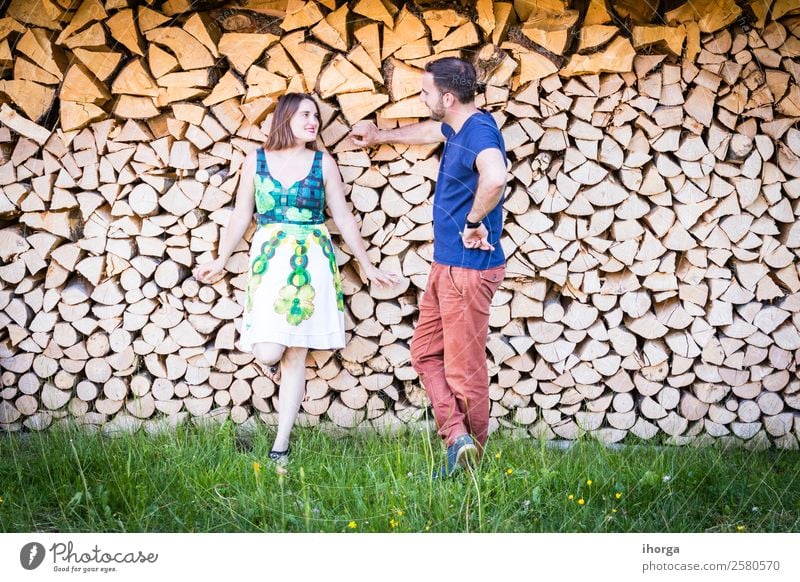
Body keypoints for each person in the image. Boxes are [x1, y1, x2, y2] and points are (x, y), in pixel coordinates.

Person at [193, 93, 399, 468]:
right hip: (270, 260)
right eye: (305, 114)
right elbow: (242, 213)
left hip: (312, 259)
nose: (312, 122)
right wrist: (221, 258)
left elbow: (344, 216)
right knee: (269, 351)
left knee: (296, 354)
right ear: (284, 117)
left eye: (316, 116)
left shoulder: (324, 162)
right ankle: (272, 368)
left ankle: (281, 445)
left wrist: (367, 265)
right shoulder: (256, 160)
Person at [350, 57, 507, 477]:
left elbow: (495, 177)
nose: (422, 98)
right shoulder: (459, 126)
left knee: (463, 369)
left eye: (425, 93)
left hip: (469, 268)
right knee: (424, 354)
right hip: (447, 266)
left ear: (448, 96)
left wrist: (473, 224)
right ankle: (458, 440)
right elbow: (430, 131)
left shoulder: (480, 131)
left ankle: (471, 463)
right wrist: (380, 135)